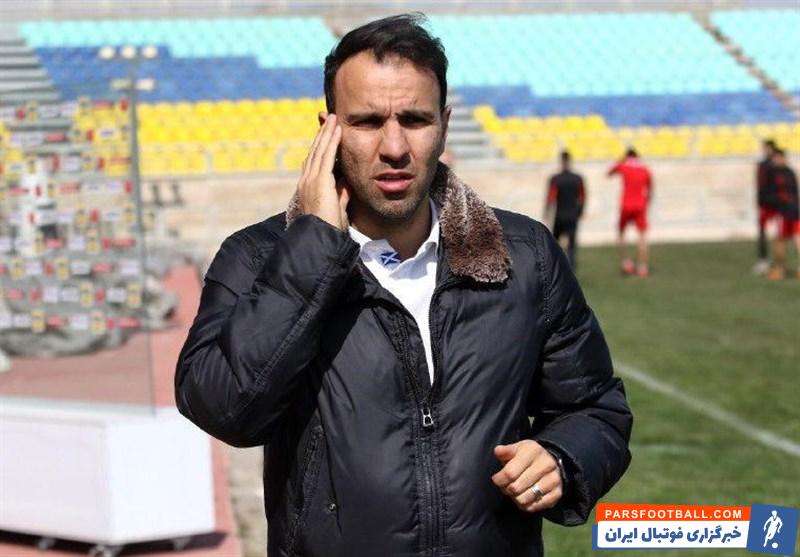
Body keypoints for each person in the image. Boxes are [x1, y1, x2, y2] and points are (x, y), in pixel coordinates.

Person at [175, 14, 632, 557]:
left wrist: (562, 456)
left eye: (414, 119)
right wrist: (313, 250)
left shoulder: (524, 254)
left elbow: (596, 407)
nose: (394, 146)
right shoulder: (258, 258)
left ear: (444, 125)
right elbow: (224, 409)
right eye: (368, 121)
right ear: (328, 130)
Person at [608, 148, 653, 278]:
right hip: (640, 205)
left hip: (626, 205)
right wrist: (646, 203)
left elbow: (609, 173)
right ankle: (642, 267)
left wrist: (621, 160)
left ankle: (626, 263)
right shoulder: (645, 169)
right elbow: (650, 190)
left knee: (621, 234)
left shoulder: (624, 166)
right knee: (642, 237)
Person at [544, 149, 586, 270]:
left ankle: (554, 268)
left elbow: (551, 198)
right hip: (572, 216)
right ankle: (571, 270)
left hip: (560, 216)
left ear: (561, 161)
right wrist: (580, 211)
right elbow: (582, 197)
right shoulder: (577, 178)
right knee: (571, 246)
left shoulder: (556, 179)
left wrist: (547, 212)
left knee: (555, 245)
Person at [766, 148, 799, 280]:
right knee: (795, 239)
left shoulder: (775, 173)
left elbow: (774, 194)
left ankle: (780, 269)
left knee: (781, 240)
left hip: (784, 211)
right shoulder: (790, 172)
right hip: (794, 209)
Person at [754, 139, 779, 275]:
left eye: (768, 148)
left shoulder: (778, 164)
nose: (765, 150)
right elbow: (760, 185)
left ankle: (779, 263)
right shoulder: (762, 165)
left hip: (778, 205)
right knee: (762, 233)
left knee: (780, 234)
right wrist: (759, 201)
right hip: (765, 204)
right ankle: (763, 260)